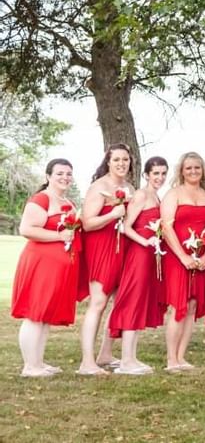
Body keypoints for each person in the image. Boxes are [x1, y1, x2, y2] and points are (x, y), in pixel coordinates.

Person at [11, 158, 82, 377]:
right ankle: (29, 367)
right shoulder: (41, 199)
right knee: (34, 313)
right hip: (40, 263)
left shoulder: (68, 202)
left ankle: (38, 362)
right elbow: (27, 229)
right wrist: (59, 235)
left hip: (58, 267)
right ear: (48, 176)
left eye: (68, 174)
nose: (65, 177)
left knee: (44, 315)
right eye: (60, 173)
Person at [107, 156, 169, 375]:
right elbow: (126, 226)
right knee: (132, 301)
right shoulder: (142, 195)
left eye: (163, 173)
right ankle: (125, 361)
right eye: (156, 173)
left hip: (152, 256)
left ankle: (131, 357)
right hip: (139, 255)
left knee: (141, 302)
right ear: (146, 175)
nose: (160, 178)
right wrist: (146, 241)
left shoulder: (157, 197)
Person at [77, 143, 135, 375]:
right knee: (99, 302)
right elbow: (87, 223)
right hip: (102, 247)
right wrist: (112, 213)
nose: (121, 163)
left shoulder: (130, 187)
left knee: (117, 301)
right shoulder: (99, 187)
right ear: (108, 162)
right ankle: (86, 362)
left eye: (125, 160)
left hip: (124, 247)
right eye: (117, 159)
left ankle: (105, 353)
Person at [160, 152, 205, 372]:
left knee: (193, 305)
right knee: (179, 305)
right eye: (188, 168)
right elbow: (166, 227)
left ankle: (181, 357)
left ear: (203, 170)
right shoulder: (173, 194)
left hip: (201, 257)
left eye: (197, 168)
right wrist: (183, 256)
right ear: (181, 171)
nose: (193, 171)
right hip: (177, 257)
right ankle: (171, 359)